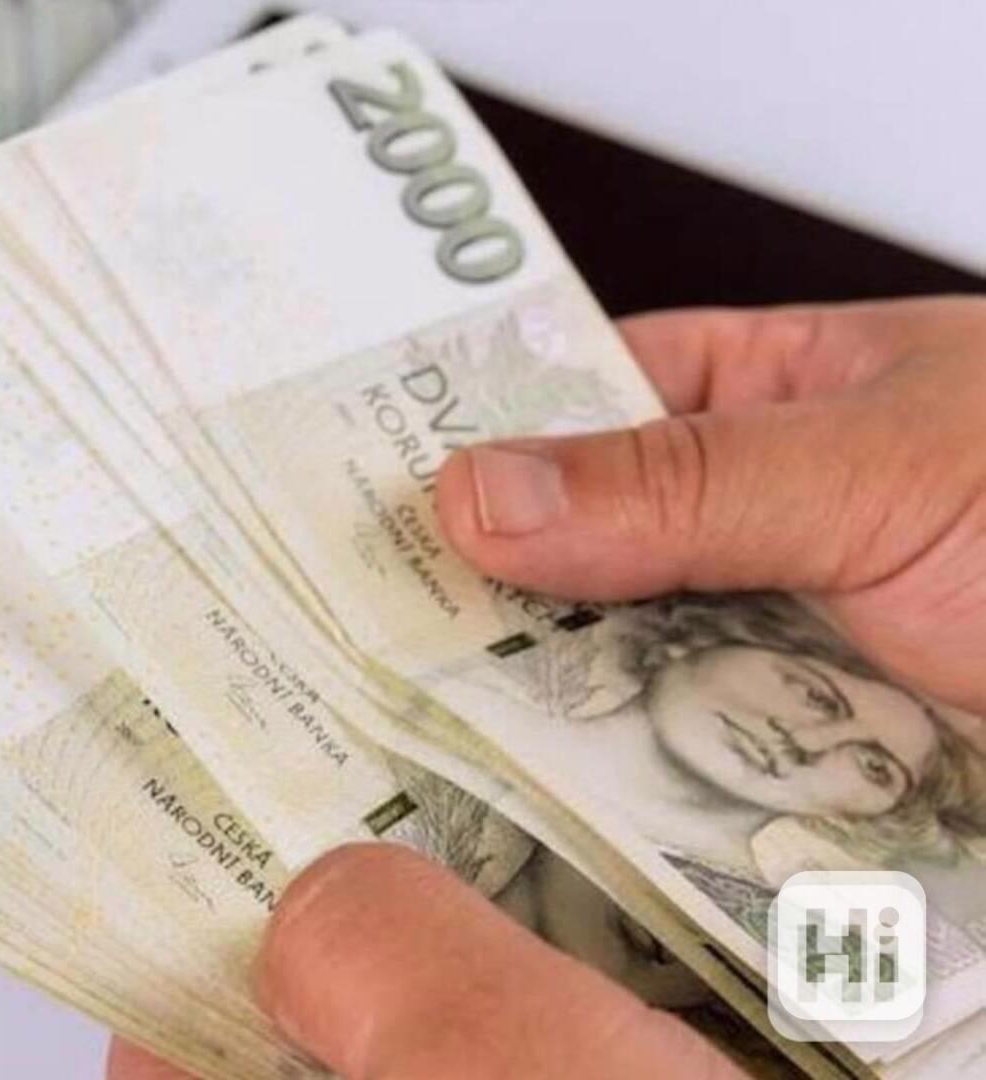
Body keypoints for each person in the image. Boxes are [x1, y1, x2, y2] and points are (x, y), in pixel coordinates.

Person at [107, 297, 986, 1079]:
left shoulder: (787, 948)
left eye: (870, 768)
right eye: (820, 699)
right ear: (733, 632)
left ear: (866, 822)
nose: (805, 740)